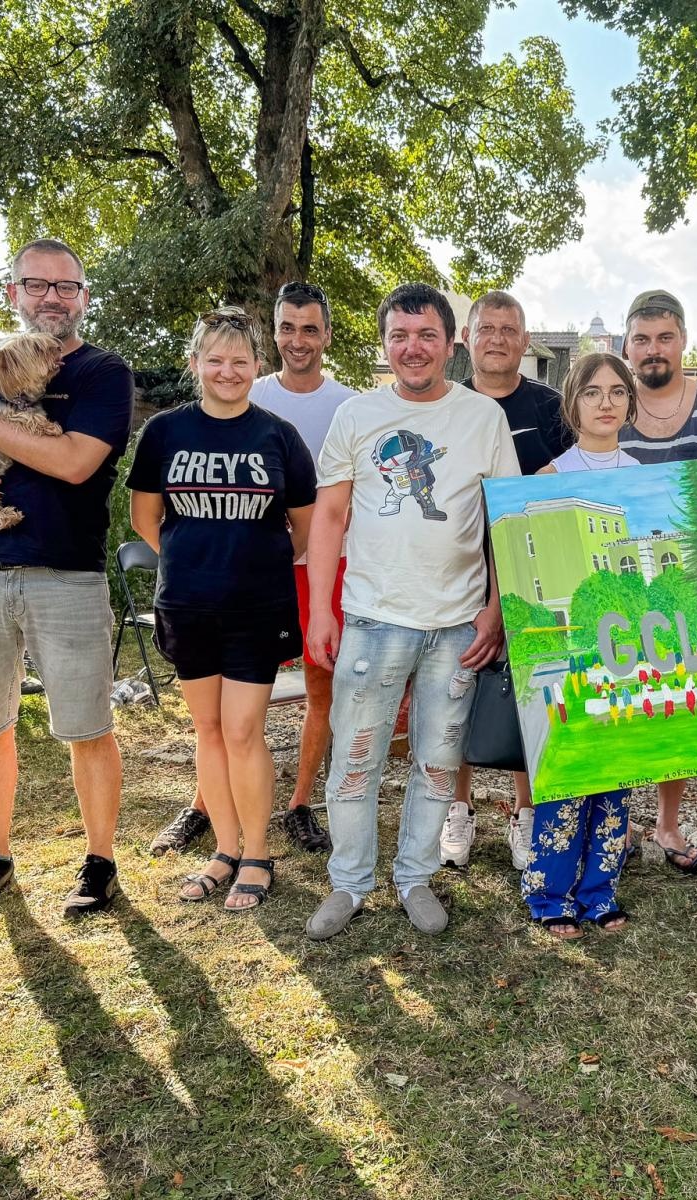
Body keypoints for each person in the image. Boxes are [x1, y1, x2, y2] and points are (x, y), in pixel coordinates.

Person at [0, 238, 135, 925]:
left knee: (88, 726)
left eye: (66, 287)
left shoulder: (103, 372)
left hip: (66, 574)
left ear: (84, 298)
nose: (52, 298)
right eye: (37, 285)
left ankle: (99, 861)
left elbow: (74, 463)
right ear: (14, 293)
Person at [302, 283, 520, 940]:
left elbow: (506, 520)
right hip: (372, 618)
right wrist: (322, 611)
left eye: (426, 335)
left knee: (437, 761)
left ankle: (415, 876)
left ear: (451, 343)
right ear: (385, 344)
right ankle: (349, 882)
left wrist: (496, 608)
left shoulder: (484, 418)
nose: (412, 348)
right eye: (399, 336)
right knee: (356, 760)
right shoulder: (355, 415)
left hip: (457, 626)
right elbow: (330, 516)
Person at [146, 281, 351, 859]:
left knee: (315, 686)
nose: (298, 339)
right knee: (217, 722)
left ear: (326, 335)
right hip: (221, 576)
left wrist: (284, 554)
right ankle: (206, 810)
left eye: (310, 328)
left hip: (313, 565)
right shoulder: (236, 387)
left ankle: (299, 805)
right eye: (287, 327)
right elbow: (150, 514)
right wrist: (194, 555)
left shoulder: (347, 405)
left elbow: (323, 511)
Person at [129, 308, 316, 910]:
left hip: (257, 607)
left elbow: (305, 527)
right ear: (195, 365)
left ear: (257, 366)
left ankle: (257, 853)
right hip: (187, 604)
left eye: (239, 361)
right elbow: (146, 518)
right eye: (215, 360)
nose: (227, 371)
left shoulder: (278, 436)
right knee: (207, 730)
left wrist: (247, 561)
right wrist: (194, 559)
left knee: (242, 730)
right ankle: (224, 849)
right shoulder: (164, 432)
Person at [441, 290, 572, 872]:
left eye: (509, 329)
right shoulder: (444, 404)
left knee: (529, 698)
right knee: (456, 691)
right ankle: (458, 808)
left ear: (525, 341)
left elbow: (572, 486)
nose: (497, 338)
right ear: (467, 338)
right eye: (486, 328)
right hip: (456, 570)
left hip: (532, 575)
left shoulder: (551, 408)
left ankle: (525, 813)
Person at [519, 352, 643, 937]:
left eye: (617, 391)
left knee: (617, 773)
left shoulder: (643, 476)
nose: (605, 403)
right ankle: (550, 894)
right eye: (592, 392)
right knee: (568, 767)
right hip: (570, 644)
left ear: (630, 402)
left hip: (628, 643)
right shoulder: (550, 478)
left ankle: (600, 890)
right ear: (572, 404)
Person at [617, 289, 697, 874]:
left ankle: (667, 821)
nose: (653, 349)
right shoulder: (611, 403)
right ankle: (619, 820)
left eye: (665, 337)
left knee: (679, 708)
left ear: (684, 341)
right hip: (627, 577)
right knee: (623, 700)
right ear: (626, 346)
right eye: (642, 339)